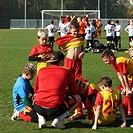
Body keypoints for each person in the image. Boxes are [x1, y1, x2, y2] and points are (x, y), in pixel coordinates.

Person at [34, 51, 81, 129]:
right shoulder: (67, 71)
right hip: (55, 108)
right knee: (77, 98)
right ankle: (59, 120)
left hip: (39, 107)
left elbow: (36, 90)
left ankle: (41, 118)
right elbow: (74, 91)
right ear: (61, 61)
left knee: (35, 96)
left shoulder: (41, 70)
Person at [101, 49, 133, 116]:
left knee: (129, 94)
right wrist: (124, 87)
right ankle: (125, 112)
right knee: (126, 94)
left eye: (106, 61)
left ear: (111, 58)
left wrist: (127, 89)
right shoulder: (114, 63)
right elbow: (119, 75)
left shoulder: (119, 62)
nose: (106, 63)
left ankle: (129, 112)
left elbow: (124, 76)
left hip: (131, 76)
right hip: (130, 76)